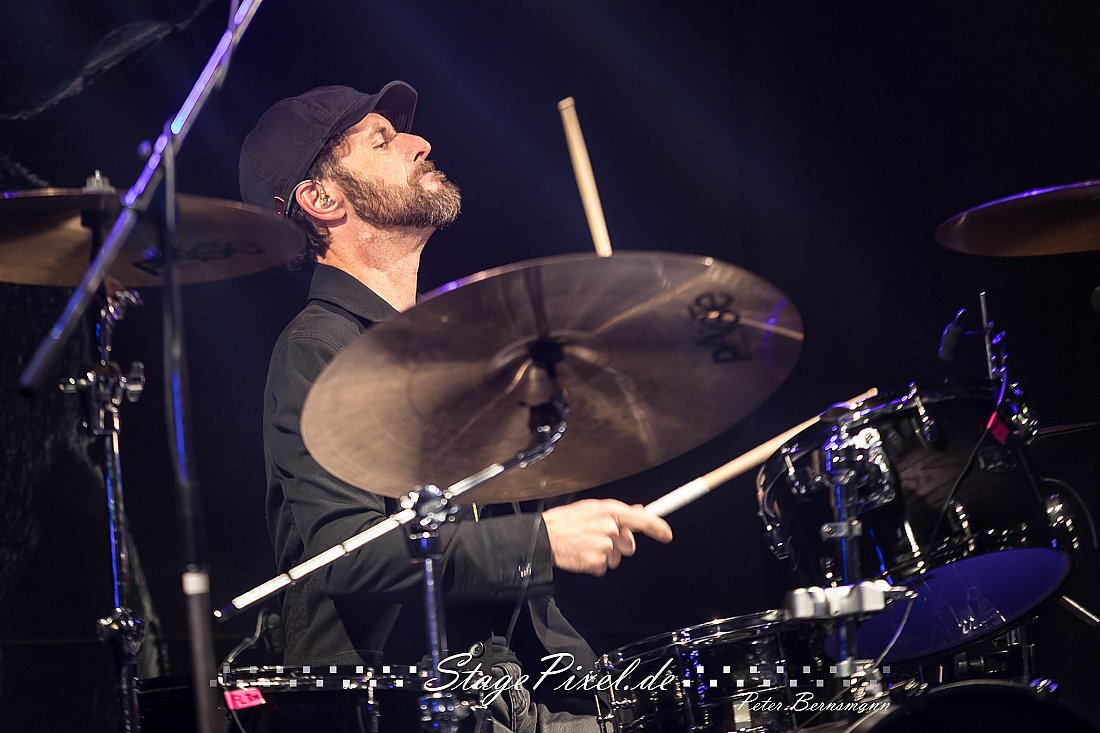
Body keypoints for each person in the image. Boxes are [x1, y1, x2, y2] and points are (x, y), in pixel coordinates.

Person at [239, 81, 673, 731]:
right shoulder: (319, 349)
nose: (419, 143)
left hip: (520, 691)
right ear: (321, 198)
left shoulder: (459, 354)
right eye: (382, 141)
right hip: (399, 705)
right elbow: (351, 556)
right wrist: (543, 540)